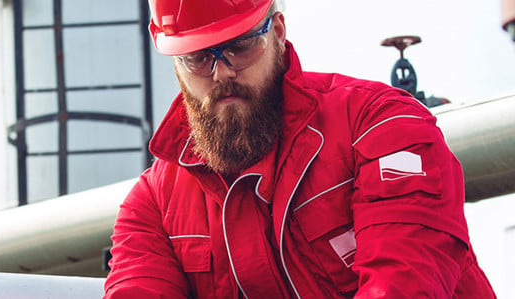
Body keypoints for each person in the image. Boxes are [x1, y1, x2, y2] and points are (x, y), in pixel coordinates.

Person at [104, 0, 496, 298]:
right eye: (198, 57)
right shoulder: (153, 203)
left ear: (277, 31)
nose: (221, 72)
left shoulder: (381, 125)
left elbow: (404, 281)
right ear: (176, 63)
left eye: (239, 47)